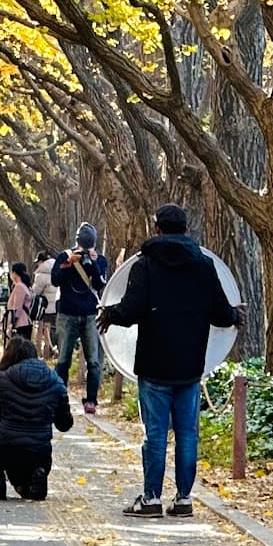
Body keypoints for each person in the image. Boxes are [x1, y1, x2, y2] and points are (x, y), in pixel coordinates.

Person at [98, 204, 240, 519]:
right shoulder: (204, 265)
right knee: (188, 433)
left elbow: (132, 308)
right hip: (190, 365)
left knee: (155, 433)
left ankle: (151, 498)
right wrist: (235, 315)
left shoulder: (146, 265)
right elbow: (220, 312)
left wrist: (111, 314)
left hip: (153, 363)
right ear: (185, 228)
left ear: (157, 229)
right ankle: (184, 498)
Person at [0, 336, 73, 500]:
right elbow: (65, 424)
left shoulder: (3, 378)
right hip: (39, 450)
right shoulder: (55, 381)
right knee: (40, 460)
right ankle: (39, 472)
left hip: (6, 447)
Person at [52, 222, 109, 415]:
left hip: (90, 314)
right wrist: (69, 263)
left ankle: (91, 400)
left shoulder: (99, 259)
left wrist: (92, 264)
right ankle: (60, 397)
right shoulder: (64, 256)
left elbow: (101, 284)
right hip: (67, 313)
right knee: (63, 359)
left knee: (93, 360)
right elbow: (55, 280)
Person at [31, 249, 59, 361]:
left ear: (42, 261)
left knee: (45, 329)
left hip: (46, 307)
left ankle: (48, 351)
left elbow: (35, 292)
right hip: (58, 306)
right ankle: (55, 349)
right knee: (55, 329)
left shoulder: (41, 275)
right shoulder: (58, 269)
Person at [4, 262, 34, 340]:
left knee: (18, 348)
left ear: (14, 273)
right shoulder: (26, 286)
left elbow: (17, 307)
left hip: (20, 323)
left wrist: (12, 323)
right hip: (25, 322)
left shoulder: (19, 287)